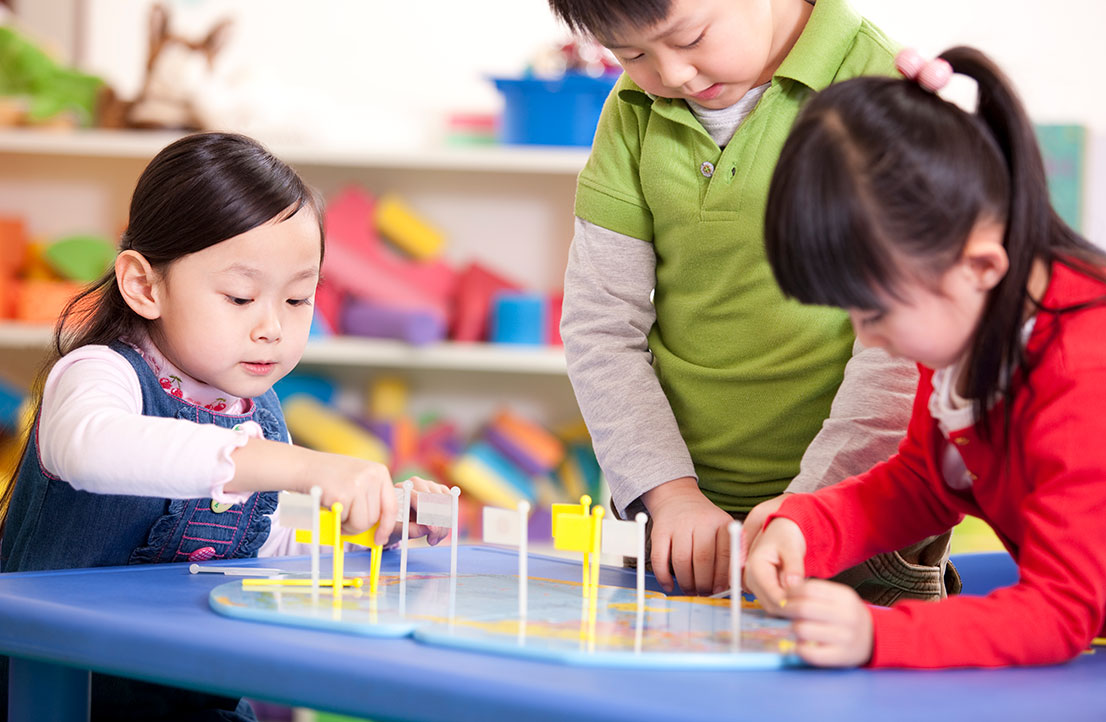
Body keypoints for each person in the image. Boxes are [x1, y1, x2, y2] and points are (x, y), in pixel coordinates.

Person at [0, 132, 450, 718]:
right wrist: (303, 467)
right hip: (55, 696)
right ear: (143, 285)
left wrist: (368, 524)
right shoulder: (99, 372)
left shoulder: (259, 412)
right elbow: (90, 448)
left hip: (190, 694)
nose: (272, 328)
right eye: (240, 298)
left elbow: (264, 542)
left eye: (297, 300)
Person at [549, 0, 955, 600]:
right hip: (680, 528)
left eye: (690, 37)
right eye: (631, 54)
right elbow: (600, 325)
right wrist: (670, 493)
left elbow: (903, 353)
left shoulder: (885, 91)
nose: (673, 76)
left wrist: (809, 513)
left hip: (855, 522)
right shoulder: (634, 110)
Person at [745, 46, 1106, 668]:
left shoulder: (1084, 367)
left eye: (876, 313)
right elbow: (923, 481)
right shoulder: (966, 328)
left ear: (980, 265)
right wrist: (806, 525)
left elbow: (1062, 609)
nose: (870, 336)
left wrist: (879, 638)